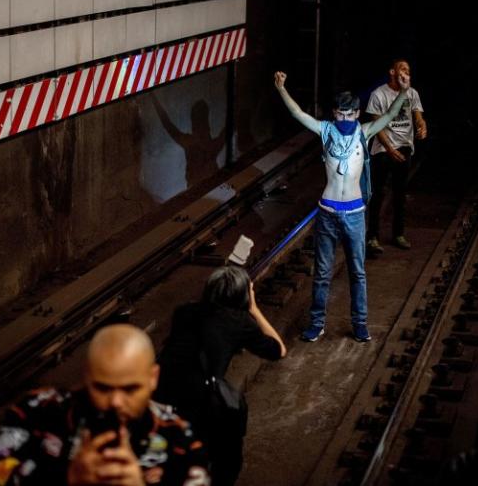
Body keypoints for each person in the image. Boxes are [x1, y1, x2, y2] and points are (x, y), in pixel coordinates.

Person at [0, 324, 209, 486]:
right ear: (86, 377)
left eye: (130, 389)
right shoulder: (37, 412)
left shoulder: (178, 438)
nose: (116, 402)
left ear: (153, 378)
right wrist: (66, 478)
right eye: (103, 388)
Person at [273, 71, 408, 343]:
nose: (345, 119)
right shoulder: (325, 131)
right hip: (328, 213)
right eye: (340, 114)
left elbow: (390, 115)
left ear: (357, 114)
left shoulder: (365, 131)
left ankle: (360, 324)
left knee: (357, 272)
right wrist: (281, 89)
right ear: (334, 113)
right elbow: (298, 114)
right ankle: (317, 323)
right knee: (322, 273)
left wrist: (404, 92)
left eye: (350, 114)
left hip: (356, 214)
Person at [157, 266, 285, 486]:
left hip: (160, 393)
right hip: (198, 401)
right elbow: (278, 350)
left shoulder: (184, 311)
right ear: (244, 295)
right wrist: (253, 308)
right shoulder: (239, 322)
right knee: (227, 460)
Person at [365, 59, 427, 253]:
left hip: (404, 147)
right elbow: (377, 125)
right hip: (384, 150)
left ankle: (398, 234)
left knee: (400, 194)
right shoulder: (378, 94)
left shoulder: (412, 93)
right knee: (378, 193)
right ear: (392, 72)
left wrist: (422, 125)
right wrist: (390, 149)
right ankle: (372, 237)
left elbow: (418, 115)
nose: (405, 72)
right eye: (402, 68)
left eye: (408, 70)